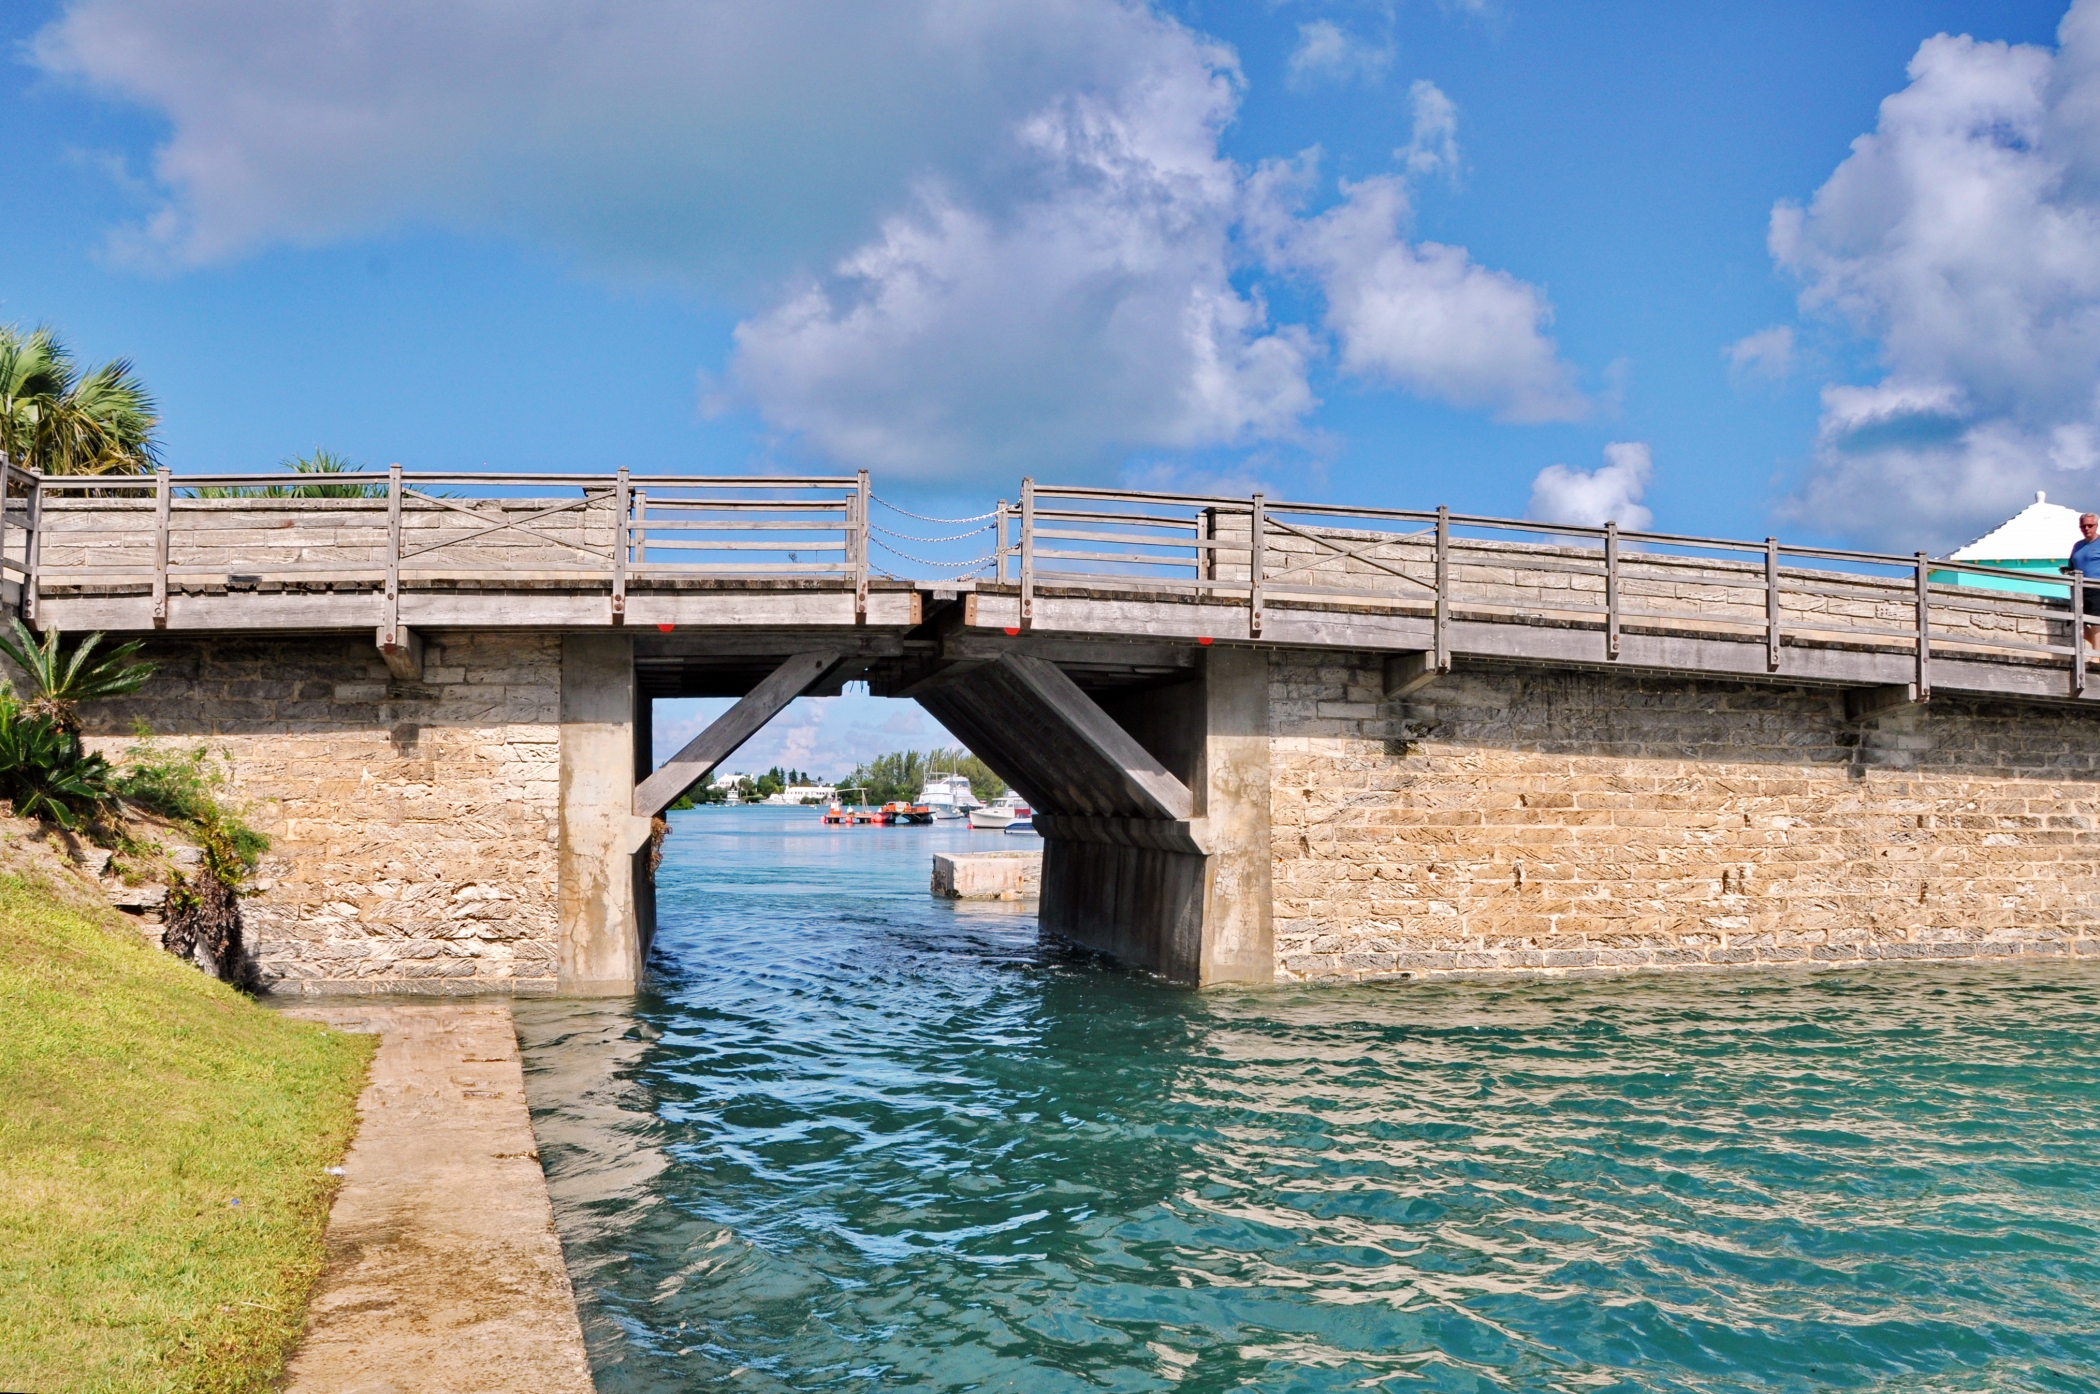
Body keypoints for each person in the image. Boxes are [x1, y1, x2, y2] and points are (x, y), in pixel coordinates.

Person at [2069, 512, 2100, 655]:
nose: (2086, 528)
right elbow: (2072, 564)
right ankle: (2097, 648)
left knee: (2095, 622)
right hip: (2079, 588)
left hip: (2096, 588)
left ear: (2096, 525)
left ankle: (2096, 656)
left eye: (2090, 525)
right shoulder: (2077, 545)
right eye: (2083, 526)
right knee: (2074, 621)